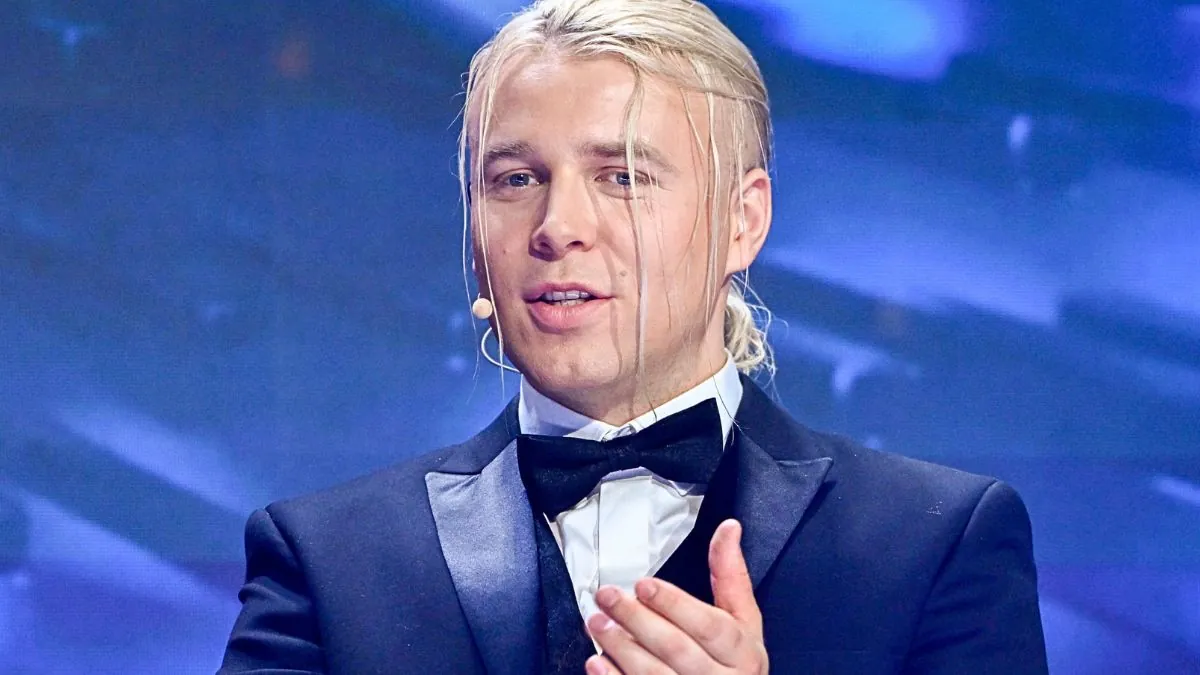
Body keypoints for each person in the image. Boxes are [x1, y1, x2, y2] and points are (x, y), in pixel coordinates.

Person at [220, 1, 1049, 673]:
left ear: (742, 220)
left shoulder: (934, 544)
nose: (558, 226)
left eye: (622, 176)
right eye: (516, 178)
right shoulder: (328, 562)